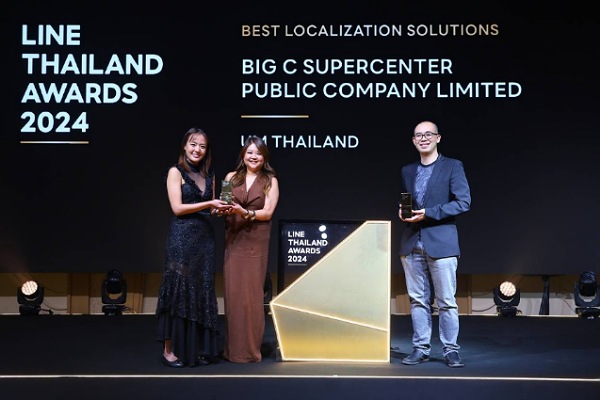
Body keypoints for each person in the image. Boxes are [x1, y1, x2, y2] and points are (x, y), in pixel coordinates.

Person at [155, 127, 232, 368]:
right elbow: (177, 208)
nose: (197, 149)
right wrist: (209, 203)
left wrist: (221, 208)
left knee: (200, 291)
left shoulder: (210, 175)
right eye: (193, 144)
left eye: (202, 146)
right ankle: (169, 350)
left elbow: (211, 210)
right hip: (181, 239)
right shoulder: (175, 172)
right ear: (185, 146)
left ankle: (194, 349)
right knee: (178, 291)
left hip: (205, 240)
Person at [398, 120, 471, 368]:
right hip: (411, 242)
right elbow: (410, 201)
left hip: (441, 243)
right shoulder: (408, 170)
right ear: (413, 141)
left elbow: (463, 202)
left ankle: (451, 350)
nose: (423, 138)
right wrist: (403, 211)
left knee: (446, 302)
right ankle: (421, 348)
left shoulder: (452, 166)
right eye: (419, 135)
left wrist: (428, 213)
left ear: (438, 138)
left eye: (428, 134)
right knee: (418, 300)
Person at [220, 135, 279, 363]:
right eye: (250, 152)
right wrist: (220, 209)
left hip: (256, 242)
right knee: (234, 296)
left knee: (252, 297)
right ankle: (234, 350)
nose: (253, 157)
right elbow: (224, 202)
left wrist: (245, 212)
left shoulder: (270, 181)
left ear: (264, 158)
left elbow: (268, 212)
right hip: (233, 241)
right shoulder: (230, 177)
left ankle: (251, 351)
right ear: (243, 155)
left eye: (258, 153)